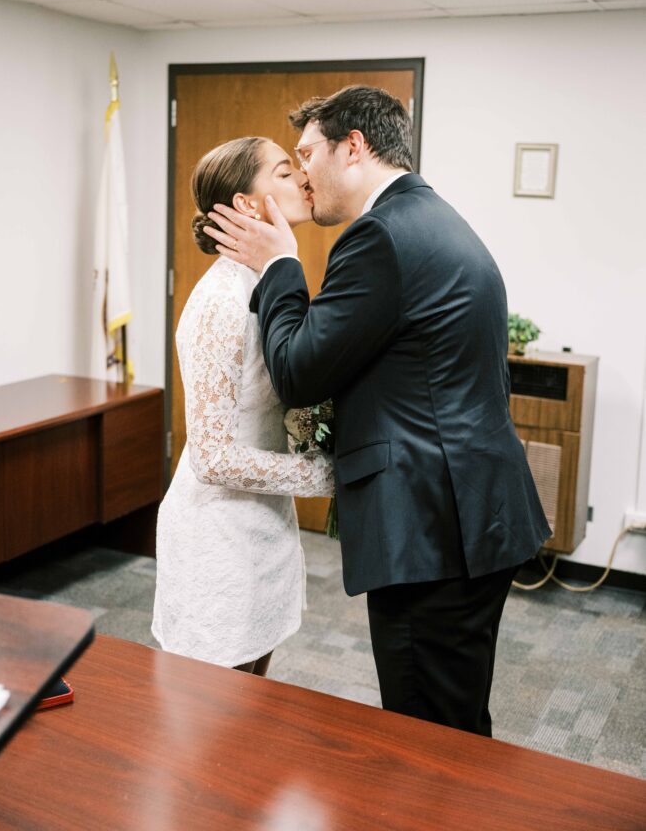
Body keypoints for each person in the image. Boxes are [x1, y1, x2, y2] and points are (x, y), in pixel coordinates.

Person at [204, 85, 551, 733]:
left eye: (306, 154)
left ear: (353, 147)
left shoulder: (379, 238)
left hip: (433, 525)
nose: (303, 173)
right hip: (468, 509)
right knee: (452, 714)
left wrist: (280, 264)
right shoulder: (430, 217)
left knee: (426, 730)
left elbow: (300, 373)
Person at [152, 136, 334, 676]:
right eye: (284, 172)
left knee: (253, 704)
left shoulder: (268, 284)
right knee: (210, 712)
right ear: (248, 206)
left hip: (266, 522)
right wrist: (327, 475)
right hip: (218, 535)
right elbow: (211, 457)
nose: (302, 178)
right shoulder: (219, 303)